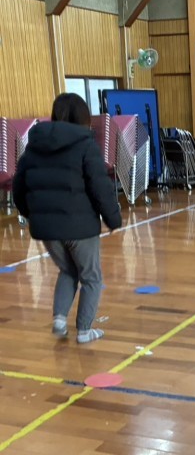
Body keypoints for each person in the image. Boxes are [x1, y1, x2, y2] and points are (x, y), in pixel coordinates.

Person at [12, 93, 122, 344]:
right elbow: (100, 186)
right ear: (83, 117)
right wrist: (113, 219)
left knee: (68, 270)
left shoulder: (34, 146)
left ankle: (59, 320)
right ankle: (84, 330)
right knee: (91, 278)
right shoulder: (86, 145)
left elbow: (19, 186)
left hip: (47, 229)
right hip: (80, 227)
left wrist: (33, 214)